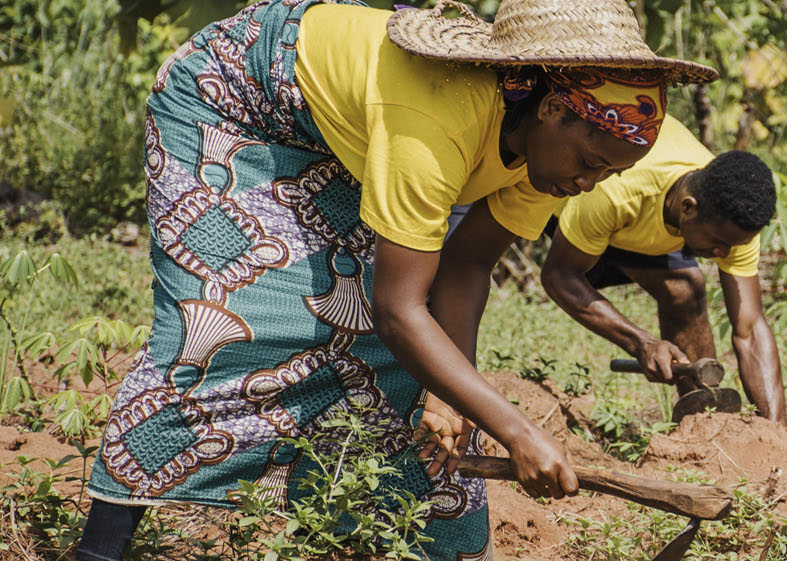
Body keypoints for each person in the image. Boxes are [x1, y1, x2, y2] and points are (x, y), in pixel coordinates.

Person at [75, 0, 716, 559]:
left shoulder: (547, 157)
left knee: (413, 373)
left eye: (606, 175)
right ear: (552, 108)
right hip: (232, 103)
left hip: (340, 135)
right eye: (590, 162)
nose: (587, 184)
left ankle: (425, 541)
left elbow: (467, 265)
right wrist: (518, 429)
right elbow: (400, 309)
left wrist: (452, 400)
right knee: (222, 327)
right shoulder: (438, 120)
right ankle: (100, 548)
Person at [539, 116, 786, 424]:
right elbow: (559, 276)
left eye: (732, 245)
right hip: (573, 208)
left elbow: (750, 330)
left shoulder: (736, 217)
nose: (723, 254)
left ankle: (701, 423)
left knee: (684, 291)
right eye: (718, 243)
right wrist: (641, 343)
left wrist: (778, 433)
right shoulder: (618, 192)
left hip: (637, 221)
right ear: (688, 207)